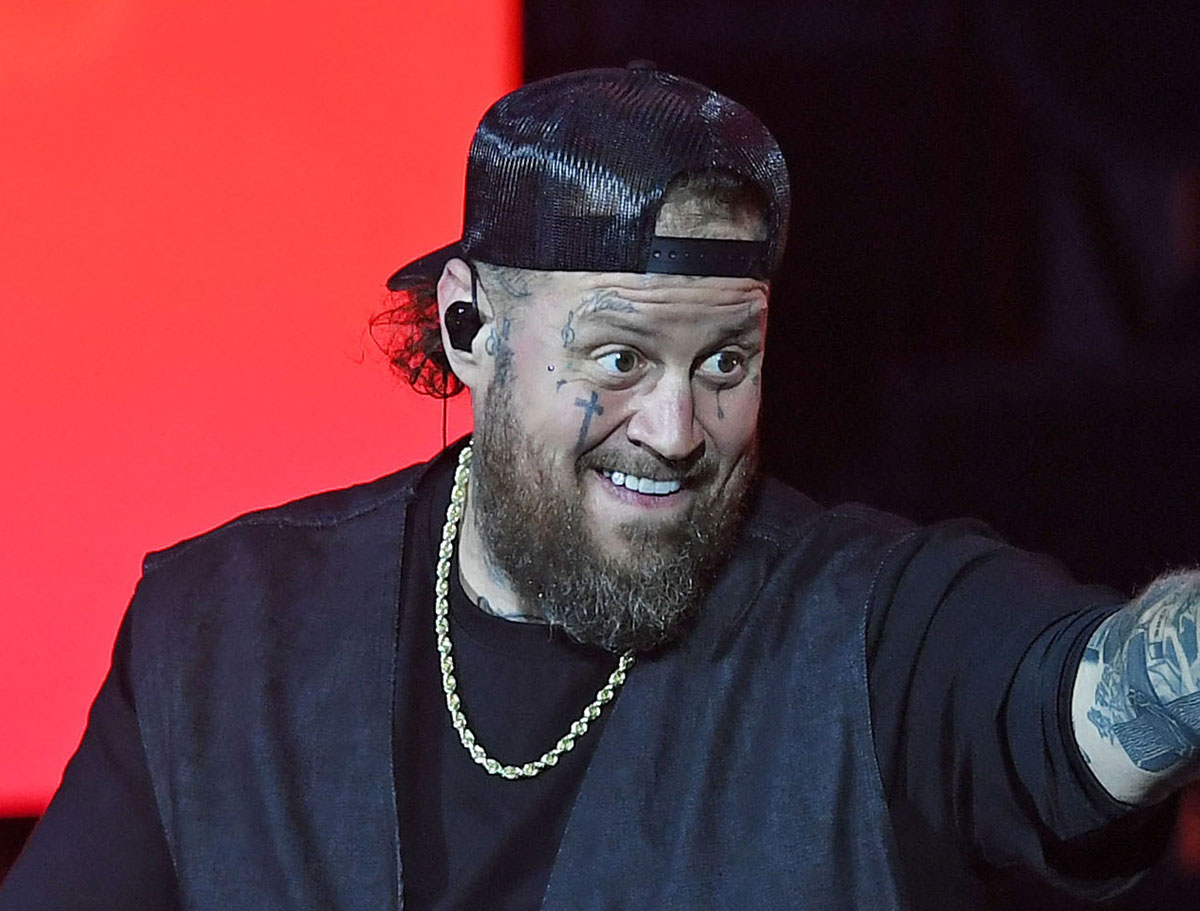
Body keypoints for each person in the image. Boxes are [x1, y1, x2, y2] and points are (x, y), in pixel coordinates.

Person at [2, 63, 1198, 911]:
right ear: (469, 326)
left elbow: (1079, 703)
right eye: (620, 359)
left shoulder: (873, 631)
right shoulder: (219, 636)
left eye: (725, 362)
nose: (676, 431)